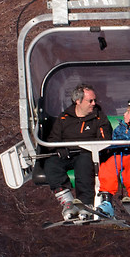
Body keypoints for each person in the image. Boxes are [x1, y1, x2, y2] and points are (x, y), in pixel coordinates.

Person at [46, 84, 110, 216]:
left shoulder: (99, 118)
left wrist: (86, 147)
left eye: (94, 100)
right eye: (90, 101)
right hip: (68, 154)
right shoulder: (64, 118)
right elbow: (52, 139)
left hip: (87, 153)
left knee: (84, 164)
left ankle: (85, 203)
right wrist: (60, 148)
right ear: (78, 101)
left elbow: (105, 140)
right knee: (51, 164)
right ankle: (67, 200)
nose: (94, 103)